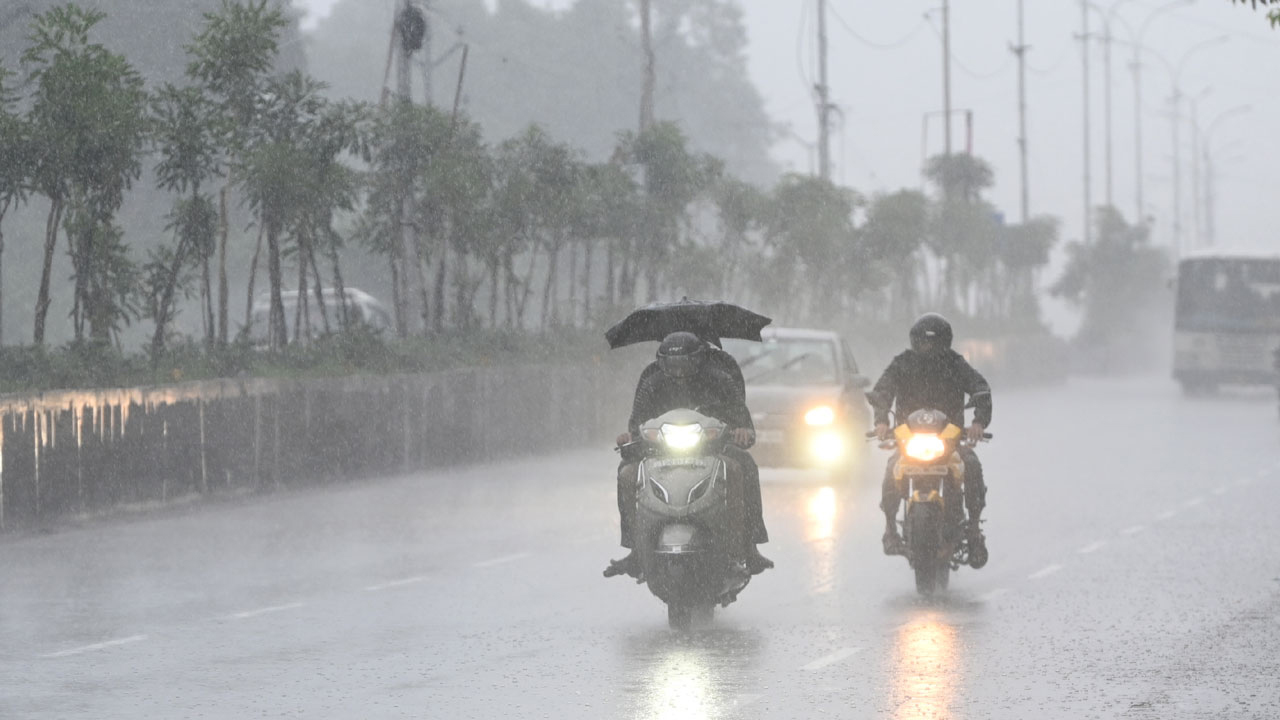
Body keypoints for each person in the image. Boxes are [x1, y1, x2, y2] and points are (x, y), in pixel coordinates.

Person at [605, 331, 774, 578]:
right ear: (661, 362)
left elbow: (743, 421)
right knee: (627, 474)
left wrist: (741, 432)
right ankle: (636, 551)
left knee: (741, 467)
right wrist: (630, 438)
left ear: (699, 359)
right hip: (659, 453)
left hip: (714, 449)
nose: (678, 371)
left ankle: (746, 546)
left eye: (685, 363)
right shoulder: (651, 382)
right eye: (671, 364)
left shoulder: (721, 379)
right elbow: (636, 425)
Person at [870, 313, 991, 567]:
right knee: (893, 468)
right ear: (915, 342)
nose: (928, 348)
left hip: (949, 438)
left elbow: (980, 387)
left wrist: (979, 422)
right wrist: (881, 421)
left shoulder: (956, 364)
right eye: (923, 343)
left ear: (945, 343)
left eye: (933, 343)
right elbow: (882, 391)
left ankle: (973, 531)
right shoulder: (902, 363)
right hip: (908, 437)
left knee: (970, 464)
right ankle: (890, 528)